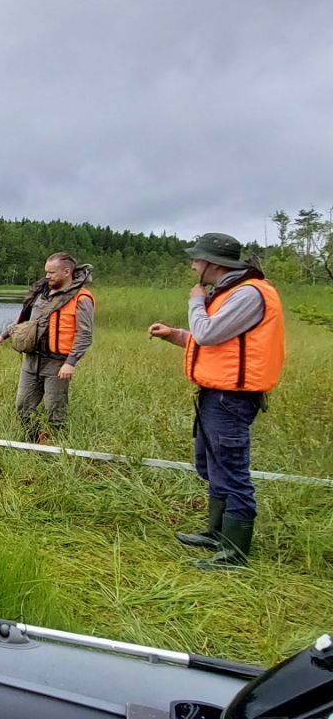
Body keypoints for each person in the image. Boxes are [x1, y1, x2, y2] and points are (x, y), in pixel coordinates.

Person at [148, 233, 284, 570]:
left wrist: (196, 301)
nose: (193, 266)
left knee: (232, 471)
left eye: (197, 260)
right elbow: (214, 341)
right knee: (212, 466)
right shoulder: (229, 292)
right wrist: (174, 335)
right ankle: (216, 533)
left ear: (214, 264)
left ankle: (233, 555)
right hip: (216, 395)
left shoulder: (248, 294)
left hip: (232, 398)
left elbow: (208, 333)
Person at [0, 253, 95, 443]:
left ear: (67, 272)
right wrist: (2, 336)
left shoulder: (82, 298)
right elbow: (24, 322)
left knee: (55, 410)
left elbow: (85, 335)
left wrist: (70, 363)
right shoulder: (41, 293)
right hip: (32, 360)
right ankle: (35, 441)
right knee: (23, 407)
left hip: (57, 363)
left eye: (52, 272)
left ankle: (57, 447)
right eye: (46, 272)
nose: (47, 276)